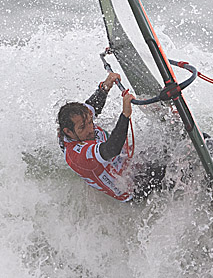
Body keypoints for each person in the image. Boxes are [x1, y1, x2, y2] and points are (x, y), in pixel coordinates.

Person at [57, 73, 168, 202]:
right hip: (133, 189)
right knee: (173, 168)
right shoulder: (78, 155)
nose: (90, 129)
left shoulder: (77, 122)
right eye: (83, 127)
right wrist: (125, 115)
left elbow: (93, 107)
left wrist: (105, 87)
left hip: (129, 163)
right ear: (68, 132)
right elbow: (112, 149)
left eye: (90, 122)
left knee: (163, 147)